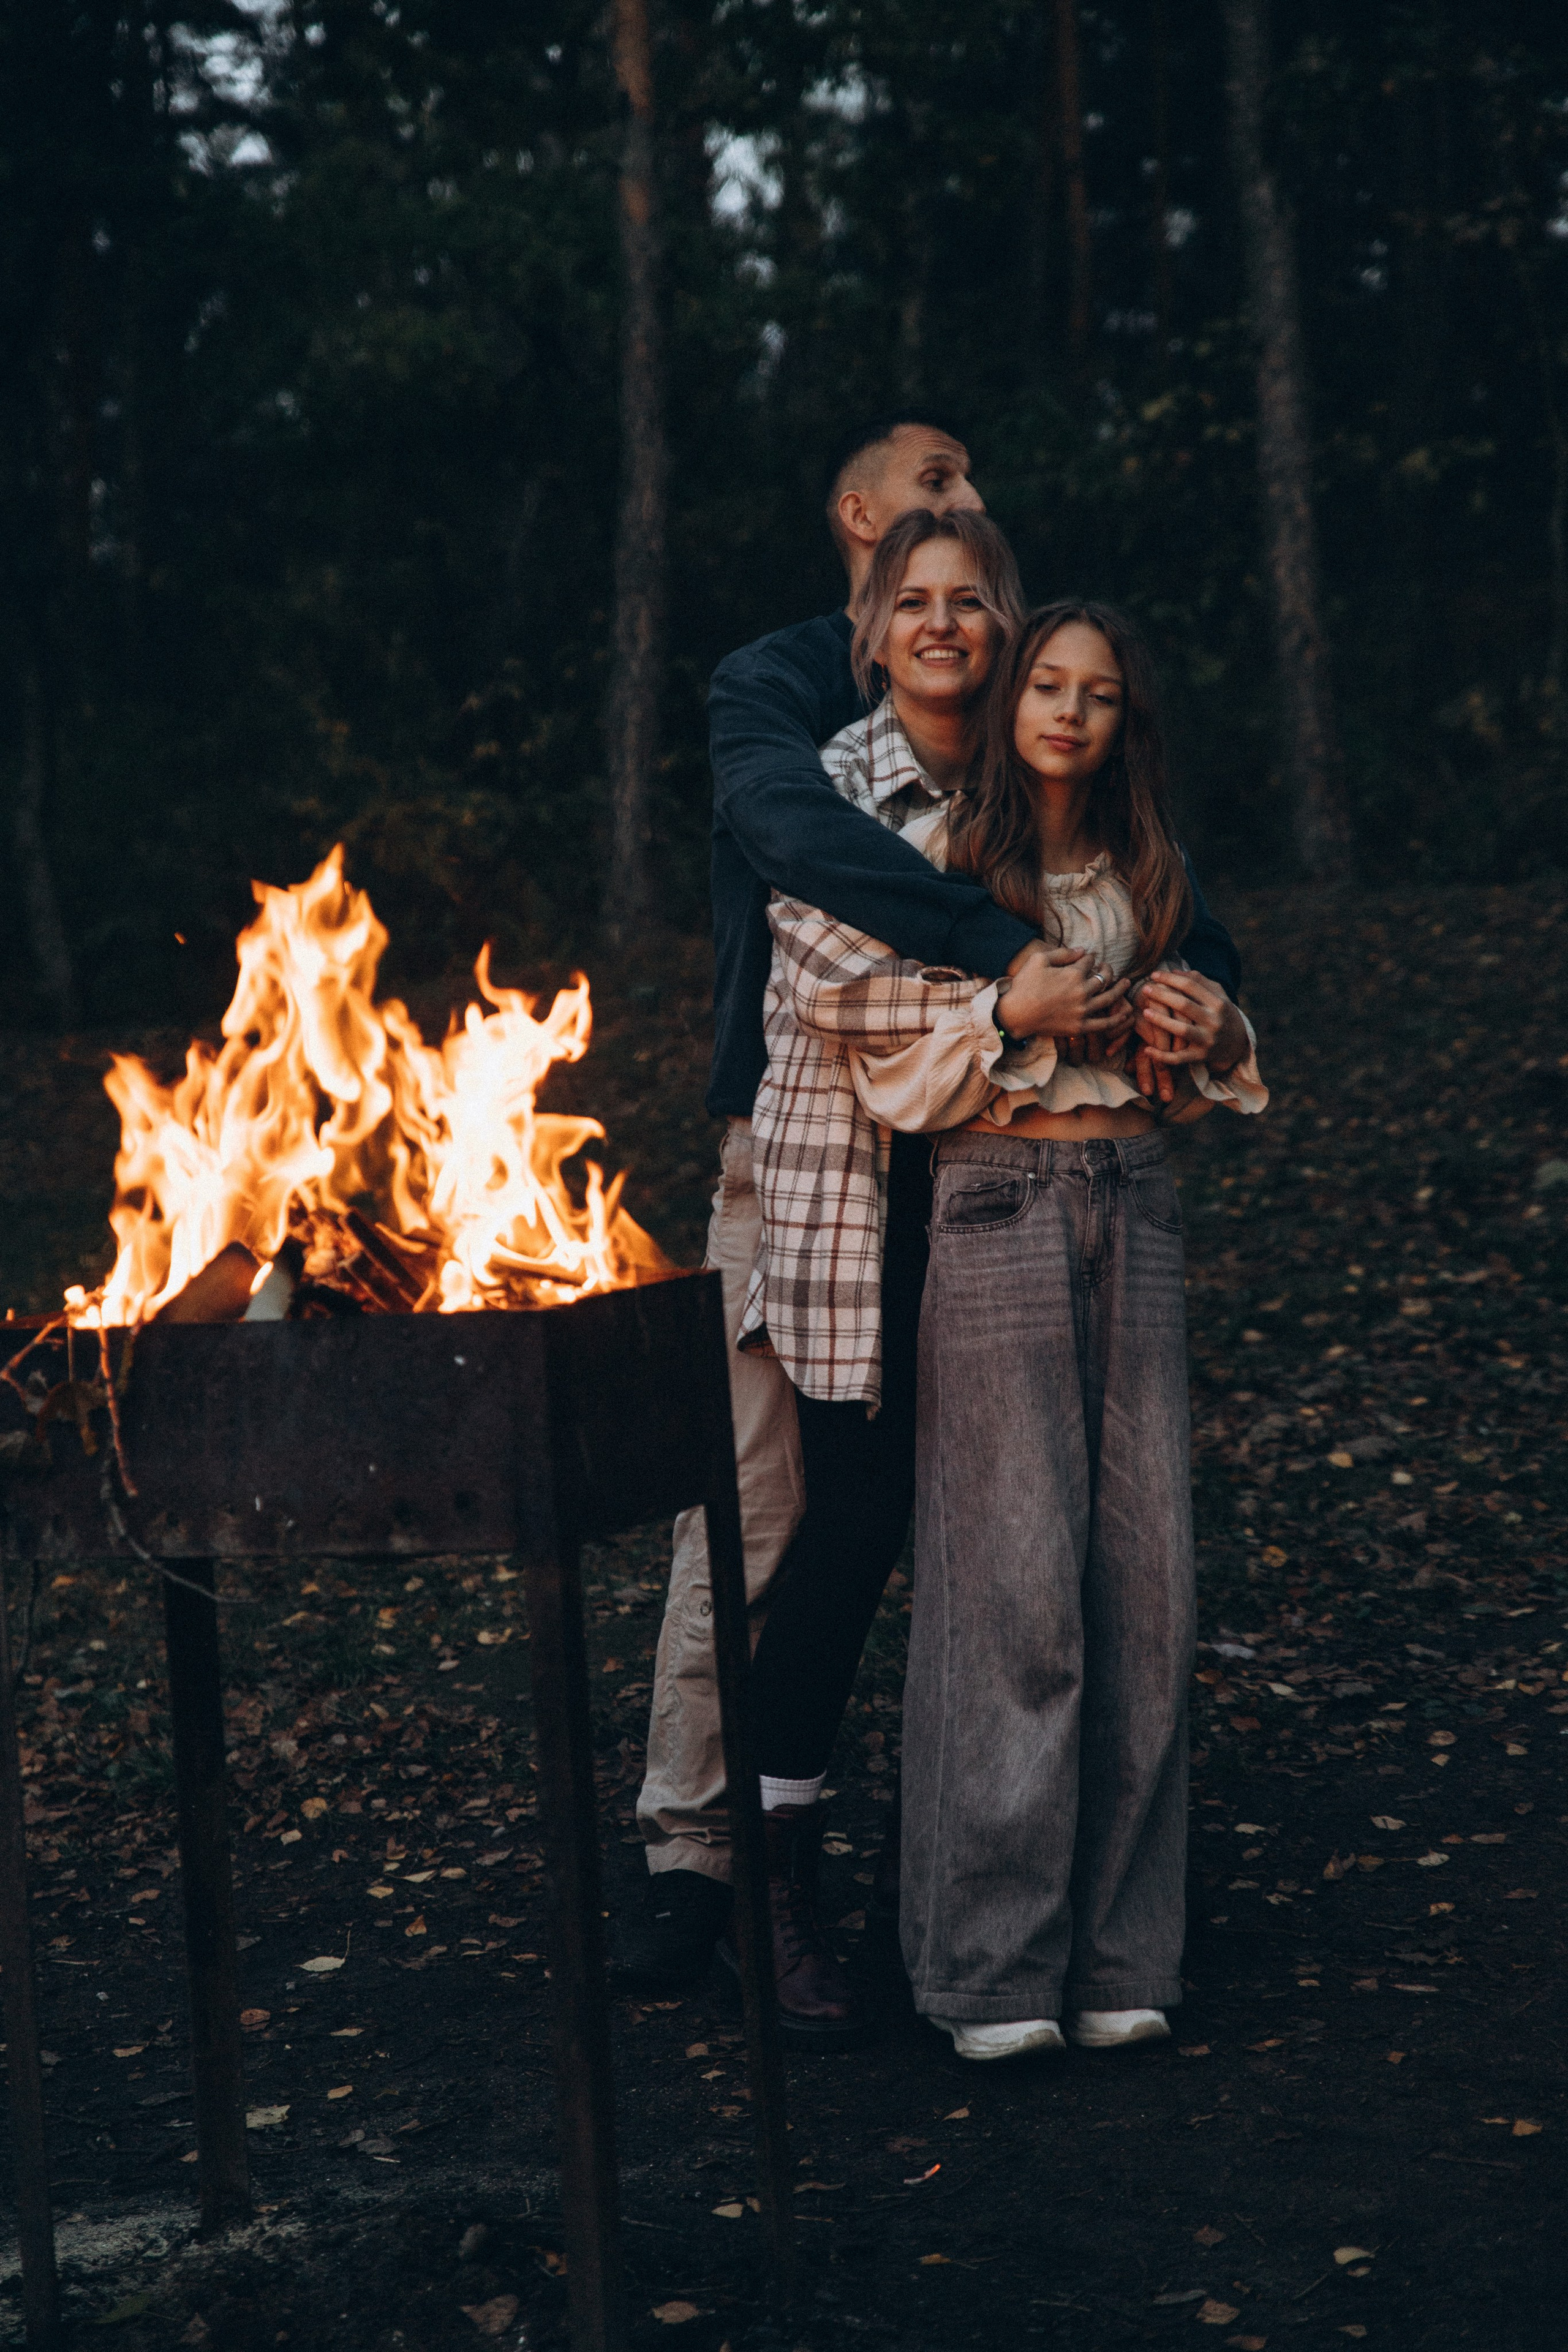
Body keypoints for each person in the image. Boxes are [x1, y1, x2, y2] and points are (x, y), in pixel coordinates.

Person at [617, 418, 1243, 2019]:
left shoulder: (1031, 736)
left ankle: (981, 1890)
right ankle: (718, 1874)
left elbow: (1160, 891)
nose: (963, 562)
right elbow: (807, 887)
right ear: (866, 545)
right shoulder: (783, 700)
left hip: (992, 1192)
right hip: (815, 1166)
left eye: (975, 566)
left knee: (976, 1530)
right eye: (935, 521)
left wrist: (1196, 997)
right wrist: (1002, 966)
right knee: (788, 1518)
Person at [787, 599, 1266, 2061]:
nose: (1068, 711)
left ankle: (1122, 1952)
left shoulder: (1146, 865)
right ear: (1010, 703)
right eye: (1047, 685)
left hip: (1134, 1197)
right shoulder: (941, 864)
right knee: (1010, 1589)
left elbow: (1208, 1070)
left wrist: (1203, 1038)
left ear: (1126, 722)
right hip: (991, 1202)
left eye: (1099, 694)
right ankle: (988, 1965)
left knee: (1144, 1584)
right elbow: (875, 1060)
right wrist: (1008, 1011)